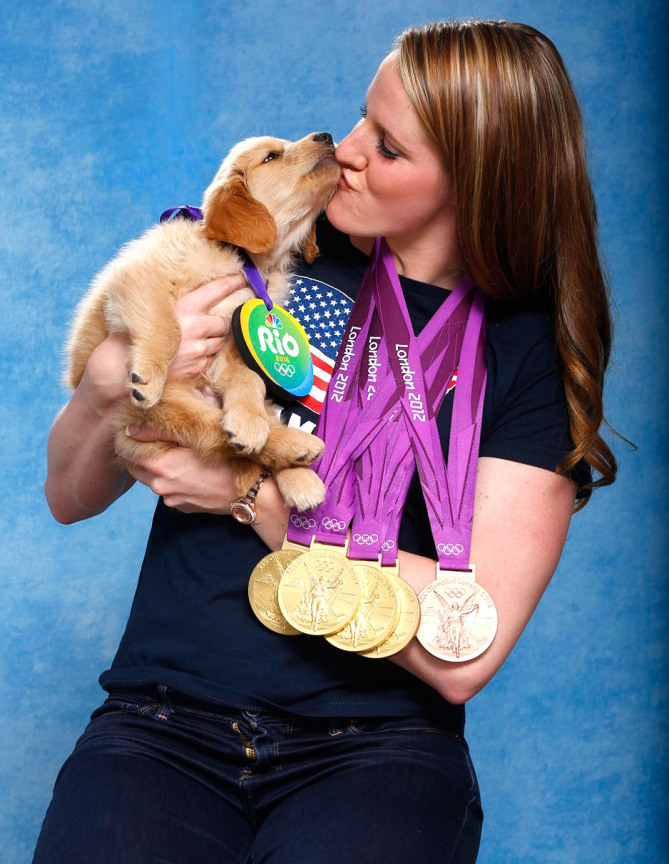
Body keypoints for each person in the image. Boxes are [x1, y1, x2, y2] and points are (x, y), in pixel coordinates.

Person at [35, 19, 616, 864]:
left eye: (386, 147)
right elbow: (66, 496)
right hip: (162, 720)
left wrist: (247, 496)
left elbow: (463, 655)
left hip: (378, 747)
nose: (344, 151)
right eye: (358, 119)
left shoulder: (526, 354)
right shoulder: (272, 242)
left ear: (476, 181)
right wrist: (104, 385)